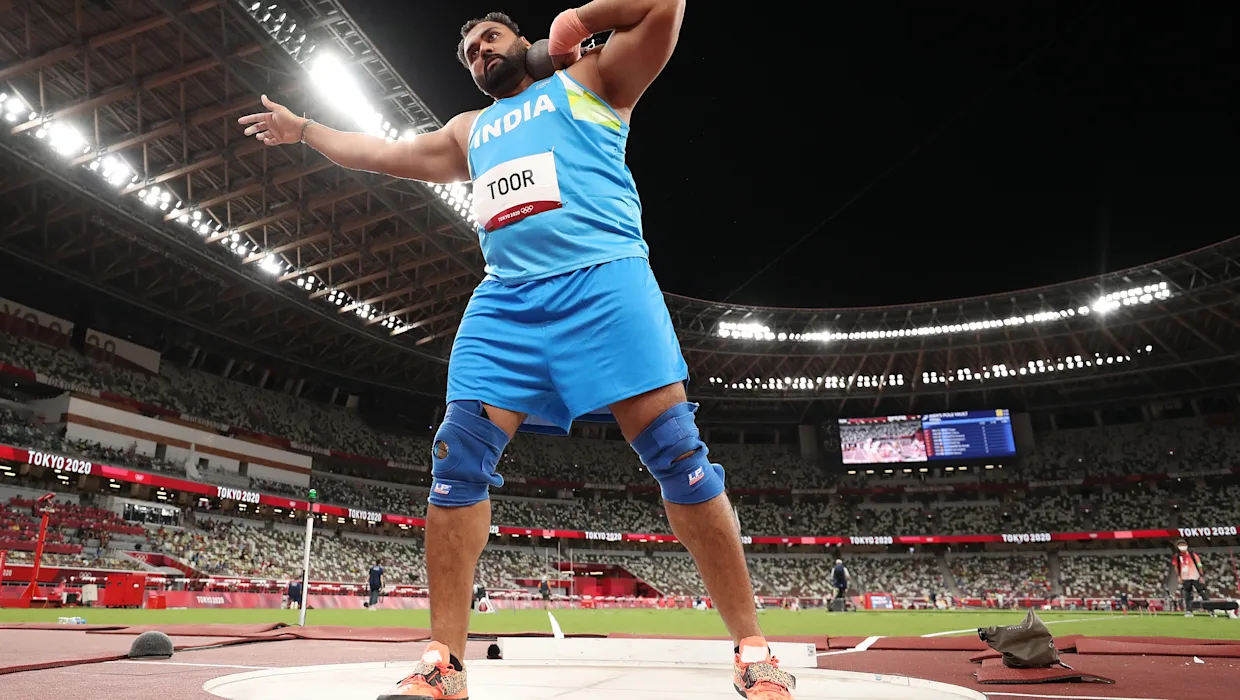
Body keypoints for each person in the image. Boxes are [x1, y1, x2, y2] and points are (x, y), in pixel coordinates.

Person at [239, 3, 794, 699]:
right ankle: (444, 663)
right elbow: (383, 154)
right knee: (455, 458)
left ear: (522, 39)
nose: (480, 54)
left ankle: (752, 649)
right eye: (470, 52)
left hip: (605, 282)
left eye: (489, 38)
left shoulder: (590, 78)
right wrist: (304, 131)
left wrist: (581, 17)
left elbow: (664, 9)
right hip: (507, 300)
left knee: (679, 455)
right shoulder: (469, 131)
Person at [1173, 539, 1207, 617]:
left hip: (1195, 576)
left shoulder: (1192, 554)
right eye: (1180, 545)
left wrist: (1201, 576)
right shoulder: (1177, 556)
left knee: (1202, 593)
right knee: (1187, 595)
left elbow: (1199, 565)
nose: (1182, 547)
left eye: (1183, 545)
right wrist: (1179, 576)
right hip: (1185, 577)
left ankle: (1211, 610)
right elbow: (1176, 567)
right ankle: (1189, 611)